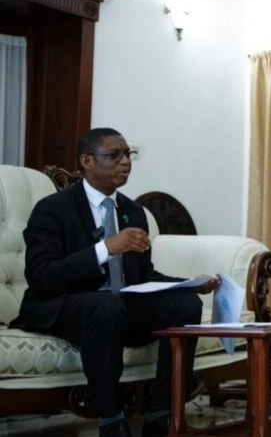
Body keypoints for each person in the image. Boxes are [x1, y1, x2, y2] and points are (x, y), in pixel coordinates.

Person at [10, 128, 220, 437]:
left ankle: (162, 414)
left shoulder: (133, 211)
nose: (125, 162)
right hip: (66, 306)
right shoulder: (52, 209)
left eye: (127, 155)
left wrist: (188, 284)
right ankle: (110, 420)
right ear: (87, 161)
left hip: (118, 307)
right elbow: (42, 277)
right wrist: (105, 249)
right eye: (114, 155)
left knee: (185, 305)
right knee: (104, 305)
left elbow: (142, 277)